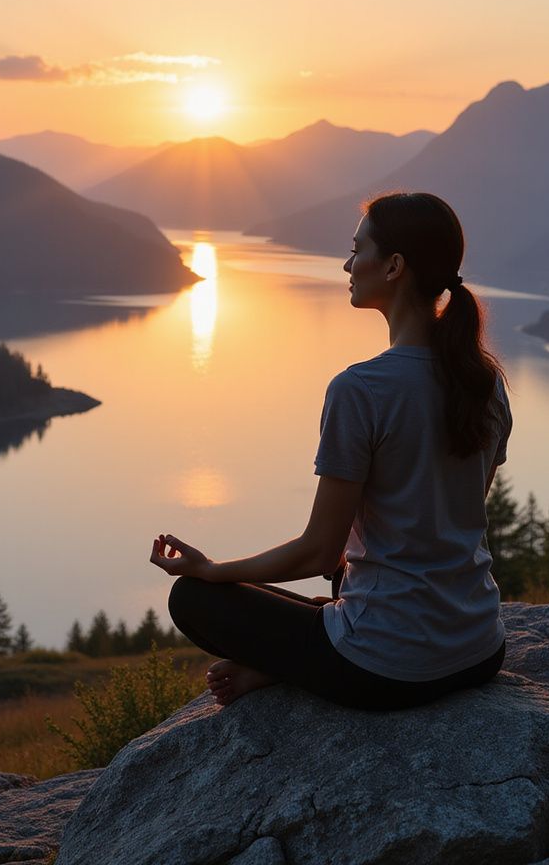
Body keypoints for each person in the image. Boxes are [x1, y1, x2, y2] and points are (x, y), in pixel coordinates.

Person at [150, 191, 512, 711]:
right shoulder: (486, 382)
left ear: (393, 266)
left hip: (386, 669)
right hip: (479, 647)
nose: (346, 263)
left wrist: (212, 569)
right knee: (345, 572)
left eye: (356, 249)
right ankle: (299, 652)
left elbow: (317, 551)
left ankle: (286, 665)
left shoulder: (361, 389)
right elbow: (452, 522)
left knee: (192, 599)